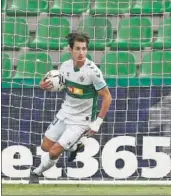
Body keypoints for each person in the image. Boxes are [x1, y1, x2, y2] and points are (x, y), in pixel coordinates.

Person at [29, 33, 112, 184]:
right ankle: (74, 146)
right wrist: (44, 85)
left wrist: (97, 122)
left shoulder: (93, 72)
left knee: (54, 151)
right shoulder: (65, 66)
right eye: (78, 49)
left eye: (84, 49)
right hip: (65, 112)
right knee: (45, 147)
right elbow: (60, 85)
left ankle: (36, 172)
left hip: (81, 120)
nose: (81, 52)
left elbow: (107, 97)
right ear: (70, 50)